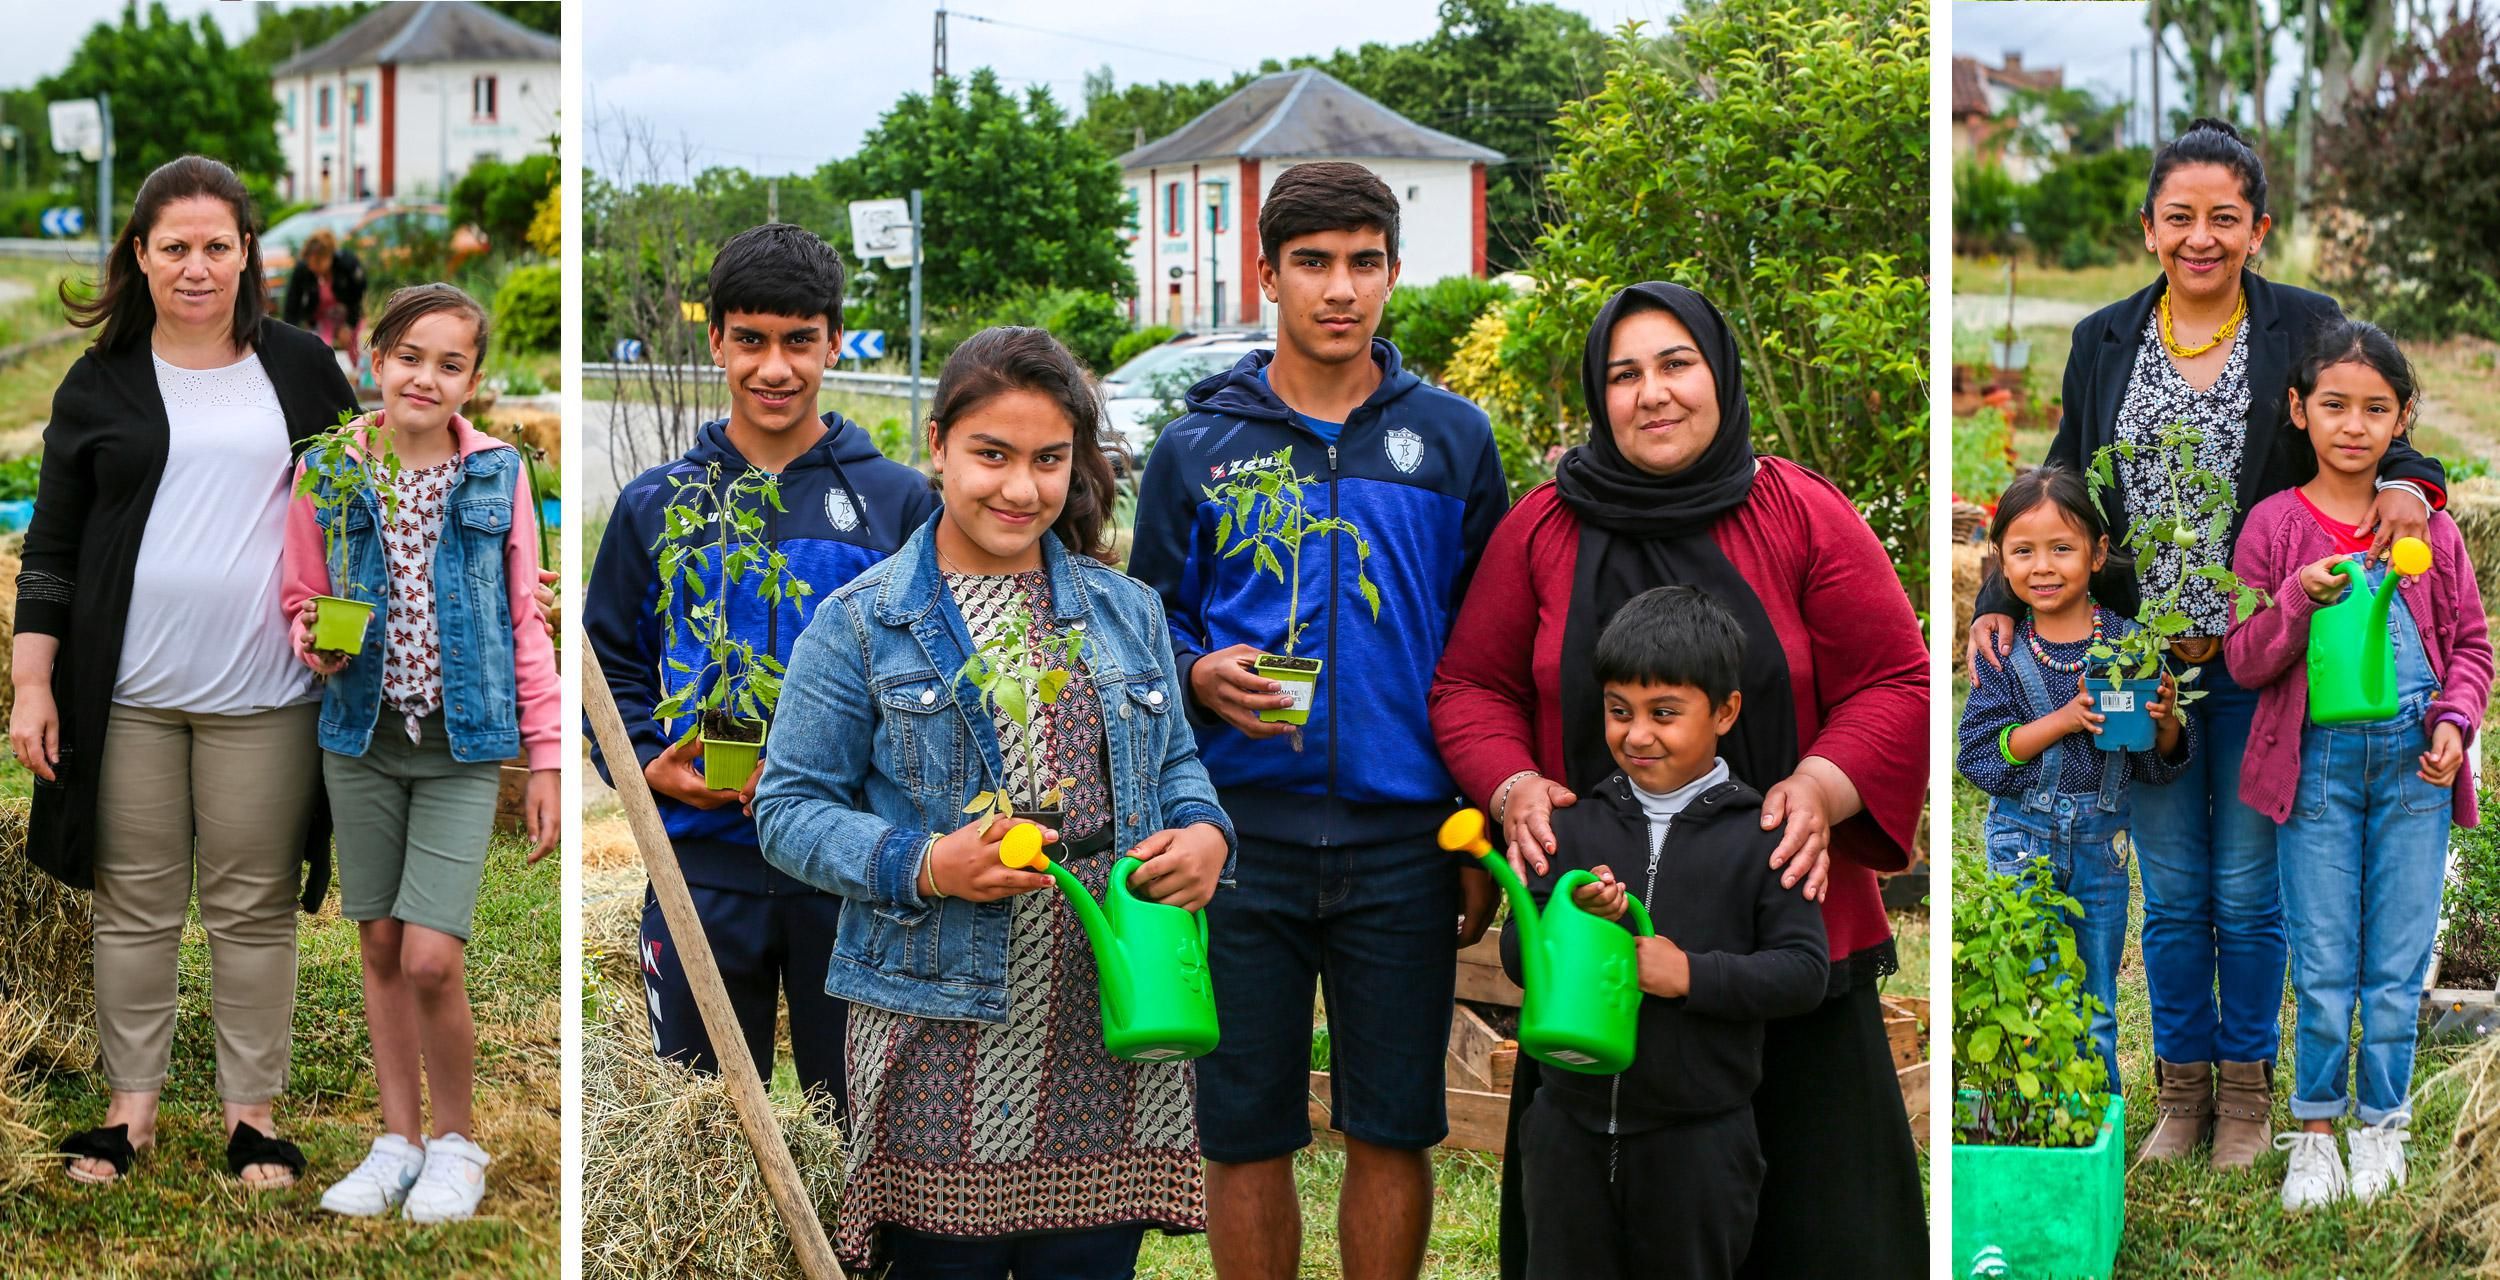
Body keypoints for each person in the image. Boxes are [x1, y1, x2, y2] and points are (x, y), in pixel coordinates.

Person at [1966, 118, 2448, 1168]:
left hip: (2263, 659)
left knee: (2248, 889)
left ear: (2257, 229)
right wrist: (1997, 590)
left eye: (2223, 217)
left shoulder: (2303, 324)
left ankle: (2244, 1101)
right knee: (2176, 894)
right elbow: (2062, 472)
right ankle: (2180, 1097)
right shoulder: (2103, 339)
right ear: (2147, 228)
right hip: (2141, 662)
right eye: (2178, 216)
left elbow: (2383, 428)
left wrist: (2409, 491)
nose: (2199, 236)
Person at [1429, 281, 1928, 1280]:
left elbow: (1895, 676)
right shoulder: (1540, 529)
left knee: (1824, 1232)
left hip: (1784, 933)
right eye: (1623, 374)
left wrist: (1825, 785)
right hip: (1590, 953)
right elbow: (1469, 683)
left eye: (1674, 365)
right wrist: (1514, 782)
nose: (1651, 393)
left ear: (1718, 372)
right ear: (1596, 395)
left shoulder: (1801, 512)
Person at [754, 326, 1234, 1276]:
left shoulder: (1123, 609)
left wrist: (1209, 834)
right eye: (992, 455)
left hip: (1113, 1009)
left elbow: (1176, 763)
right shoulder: (862, 623)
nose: (1021, 489)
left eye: (1049, 460)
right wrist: (926, 863)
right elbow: (787, 809)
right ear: (936, 447)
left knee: (1087, 1265)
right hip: (939, 1016)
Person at [1126, 160, 1511, 1280]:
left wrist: (1473, 824)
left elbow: (1483, 651)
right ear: (1267, 275)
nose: (1338, 289)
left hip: (1404, 840)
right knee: (1244, 1123)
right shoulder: (1200, 449)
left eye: (1362, 263)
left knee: (1393, 1120)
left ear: (1394, 273)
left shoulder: (1449, 440)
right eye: (1311, 263)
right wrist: (1200, 672)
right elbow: (1145, 622)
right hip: (1237, 835)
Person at [10, 155, 356, 1190]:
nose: (196, 266)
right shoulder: (102, 379)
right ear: (140, 255)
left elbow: (354, 514)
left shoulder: (298, 364)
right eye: (175, 247)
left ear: (248, 251)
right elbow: (55, 545)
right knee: (134, 903)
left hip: (266, 692)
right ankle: (130, 1110)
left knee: (251, 903)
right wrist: (33, 683)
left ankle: (253, 1117)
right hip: (127, 696)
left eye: (217, 245)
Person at [586, 222, 933, 1116]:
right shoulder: (659, 501)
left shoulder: (895, 501)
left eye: (798, 341)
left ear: (833, 342)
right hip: (701, 867)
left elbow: (936, 659)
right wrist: (644, 757)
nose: (774, 368)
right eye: (750, 340)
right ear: (716, 341)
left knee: (854, 1119)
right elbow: (606, 662)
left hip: (850, 871)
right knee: (701, 1122)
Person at [280, 282, 561, 1221]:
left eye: (450, 364)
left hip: (460, 744)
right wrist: (311, 636)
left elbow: (526, 622)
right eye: (409, 357)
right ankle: (395, 1141)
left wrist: (548, 759)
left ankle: (456, 1142)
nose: (425, 378)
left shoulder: (498, 477)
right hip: (359, 739)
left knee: (435, 954)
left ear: (474, 382)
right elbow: (300, 593)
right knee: (382, 941)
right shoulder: (330, 468)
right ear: (373, 360)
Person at [2221, 320, 2490, 1211]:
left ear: (2403, 417)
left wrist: (2455, 721)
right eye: (2333, 405)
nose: (2353, 424)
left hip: (2416, 769)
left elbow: (2471, 649)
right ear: (2299, 411)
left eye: (2377, 409)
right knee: (2327, 958)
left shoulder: (2430, 529)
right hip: (2316, 772)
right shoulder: (2273, 526)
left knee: (2398, 959)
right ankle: (2317, 1132)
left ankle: (2383, 1125)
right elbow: (2246, 660)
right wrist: (2298, 598)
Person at [1501, 585, 1828, 1280]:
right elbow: (1516, 953)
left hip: (1701, 1142)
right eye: (1619, 711)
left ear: (1725, 711)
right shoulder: (1575, 824)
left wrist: (1690, 975)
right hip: (1567, 1127)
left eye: (1665, 713)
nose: (1637, 734)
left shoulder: (1763, 836)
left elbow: (1803, 971)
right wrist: (1573, 920)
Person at [1954, 466, 2194, 1091]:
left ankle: (2096, 1134)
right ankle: (2038, 1117)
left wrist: (2164, 723)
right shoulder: (2004, 652)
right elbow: (1981, 755)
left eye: (2062, 548)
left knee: (2095, 999)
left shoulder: (2130, 645)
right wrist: (2061, 720)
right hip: (2021, 843)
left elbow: (2153, 762)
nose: (2044, 566)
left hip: (2102, 847)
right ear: (2000, 563)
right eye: (2024, 551)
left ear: (2097, 553)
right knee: (2031, 991)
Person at [282, 228, 366, 369]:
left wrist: (349, 325)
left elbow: (357, 296)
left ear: (329, 257)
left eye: (318, 263)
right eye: (311, 263)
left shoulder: (347, 264)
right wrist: (289, 333)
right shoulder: (303, 270)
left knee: (356, 349)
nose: (314, 267)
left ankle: (359, 381)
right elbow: (292, 304)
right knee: (319, 350)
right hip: (322, 318)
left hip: (348, 313)